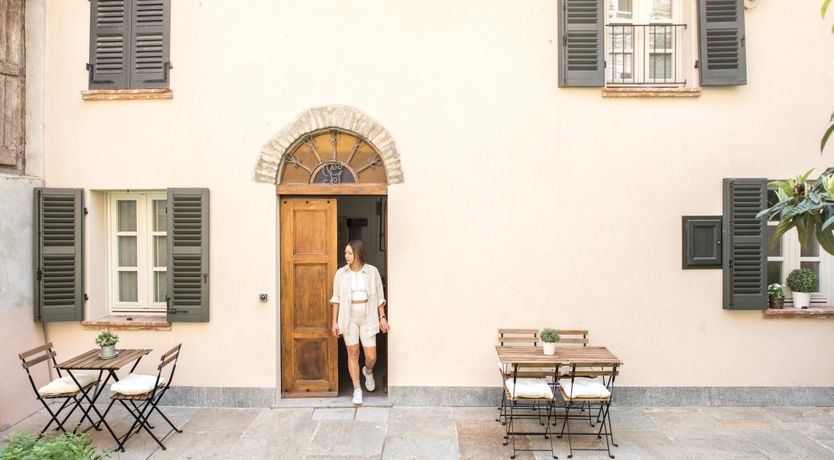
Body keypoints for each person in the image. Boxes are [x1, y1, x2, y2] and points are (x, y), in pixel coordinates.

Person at [330, 240, 389, 405]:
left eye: (349, 253)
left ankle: (368, 372)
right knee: (353, 354)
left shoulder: (372, 272)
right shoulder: (340, 274)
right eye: (345, 253)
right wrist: (335, 322)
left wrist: (382, 317)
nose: (346, 256)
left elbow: (379, 297)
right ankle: (357, 389)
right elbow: (336, 299)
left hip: (368, 317)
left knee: (371, 356)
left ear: (358, 253)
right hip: (348, 318)